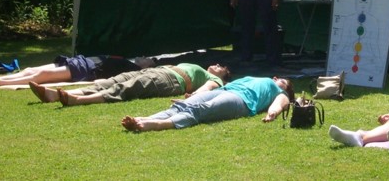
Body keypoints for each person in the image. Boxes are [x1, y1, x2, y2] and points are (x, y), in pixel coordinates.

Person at [121, 76, 294, 132]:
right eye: (277, 77)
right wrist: (195, 94)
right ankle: (141, 119)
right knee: (181, 105)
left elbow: (280, 104)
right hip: (225, 90)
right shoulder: (257, 77)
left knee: (201, 110)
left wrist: (272, 114)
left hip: (242, 101)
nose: (277, 79)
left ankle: (155, 124)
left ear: (285, 88)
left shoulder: (281, 93)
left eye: (282, 81)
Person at [29, 63, 231, 106]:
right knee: (113, 80)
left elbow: (208, 89)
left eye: (221, 67)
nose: (217, 65)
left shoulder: (216, 80)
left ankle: (79, 100)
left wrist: (195, 96)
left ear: (224, 75)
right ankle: (54, 94)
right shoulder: (199, 65)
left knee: (129, 87)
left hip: (171, 81)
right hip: (160, 71)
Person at [0, 55, 152, 88]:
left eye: (149, 60)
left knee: (40, 77)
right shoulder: (126, 60)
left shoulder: (132, 68)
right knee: (30, 69)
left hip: (84, 70)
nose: (146, 58)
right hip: (78, 62)